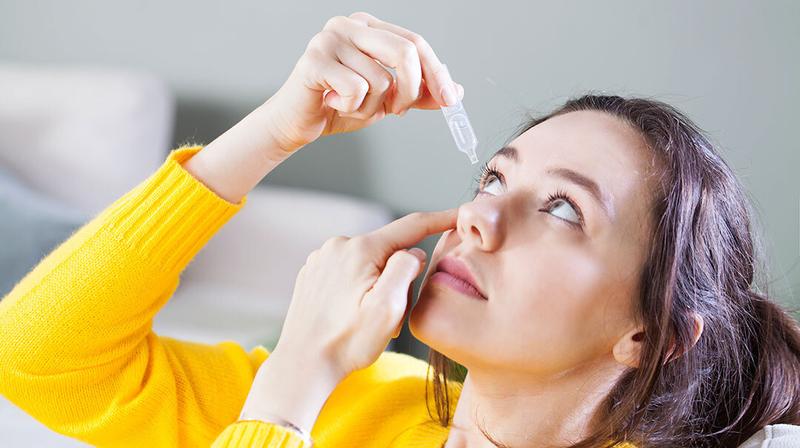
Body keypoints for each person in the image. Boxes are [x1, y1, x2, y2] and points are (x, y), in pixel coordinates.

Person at [1, 11, 798, 448]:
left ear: (649, 338)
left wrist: (286, 395)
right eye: (494, 177)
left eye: (562, 208)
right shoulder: (368, 407)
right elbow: (36, 357)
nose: (478, 217)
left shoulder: (311, 394)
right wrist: (278, 129)